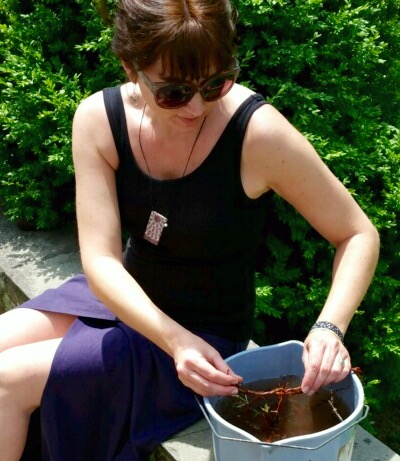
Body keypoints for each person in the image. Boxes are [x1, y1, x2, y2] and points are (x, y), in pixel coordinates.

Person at [0, 0, 380, 459]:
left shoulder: (257, 134)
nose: (197, 106)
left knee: (7, 384)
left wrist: (329, 327)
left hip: (205, 342)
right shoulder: (98, 119)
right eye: (174, 92)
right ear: (129, 67)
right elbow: (100, 260)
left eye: (217, 82)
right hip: (126, 300)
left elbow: (358, 233)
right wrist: (169, 337)